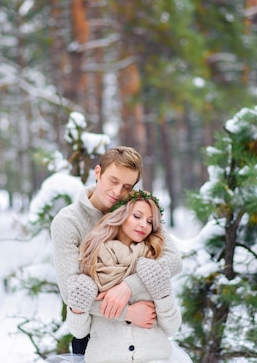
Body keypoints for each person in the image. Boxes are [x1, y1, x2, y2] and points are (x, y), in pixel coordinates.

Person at [50, 146, 182, 355]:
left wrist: (129, 286)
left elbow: (173, 261)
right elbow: (72, 292)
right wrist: (127, 312)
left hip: (143, 337)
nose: (118, 192)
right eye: (113, 181)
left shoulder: (137, 209)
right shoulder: (68, 222)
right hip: (95, 338)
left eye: (127, 186)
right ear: (98, 172)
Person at [63, 189, 191, 363]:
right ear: (120, 215)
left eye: (150, 221)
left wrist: (162, 293)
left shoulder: (153, 261)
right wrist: (78, 306)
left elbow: (172, 327)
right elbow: (79, 331)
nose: (144, 225)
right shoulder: (92, 260)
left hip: (155, 357)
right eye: (137, 216)